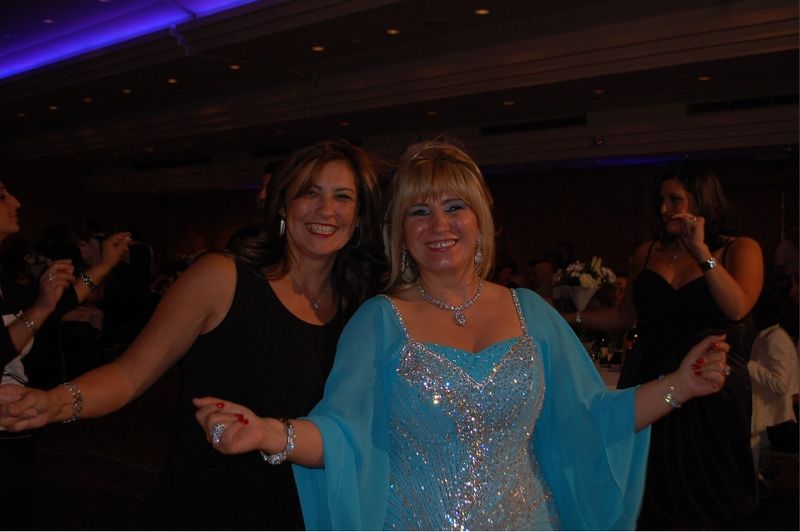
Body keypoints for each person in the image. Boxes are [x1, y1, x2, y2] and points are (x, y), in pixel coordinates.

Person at [189, 141, 729, 530]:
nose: (438, 225)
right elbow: (343, 436)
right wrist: (269, 434)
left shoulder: (531, 313)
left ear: (480, 221)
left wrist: (680, 386)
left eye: (454, 207)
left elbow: (593, 417)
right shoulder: (379, 321)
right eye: (419, 211)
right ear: (400, 231)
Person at [0, 139, 386, 530]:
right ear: (283, 205)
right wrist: (53, 403)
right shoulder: (222, 278)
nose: (326, 210)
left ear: (359, 216)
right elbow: (130, 374)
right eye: (310, 193)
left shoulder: (363, 307)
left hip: (313, 511)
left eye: (343, 197)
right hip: (212, 503)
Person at [565, 161, 763, 529]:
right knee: (647, 479)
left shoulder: (739, 248)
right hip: (648, 371)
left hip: (709, 378)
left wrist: (701, 252)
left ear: (701, 201)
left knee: (707, 484)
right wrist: (566, 318)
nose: (664, 208)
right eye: (661, 200)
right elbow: (624, 317)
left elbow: (738, 306)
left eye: (675, 200)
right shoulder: (646, 251)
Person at [0, 180, 131, 530]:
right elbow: (35, 316)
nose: (16, 201)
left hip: (14, 423)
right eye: (1, 196)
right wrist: (40, 308)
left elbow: (57, 305)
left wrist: (103, 265)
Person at [748, 276, 798, 477]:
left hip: (774, 418)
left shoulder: (776, 338)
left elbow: (780, 384)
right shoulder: (767, 337)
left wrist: (749, 366)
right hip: (764, 416)